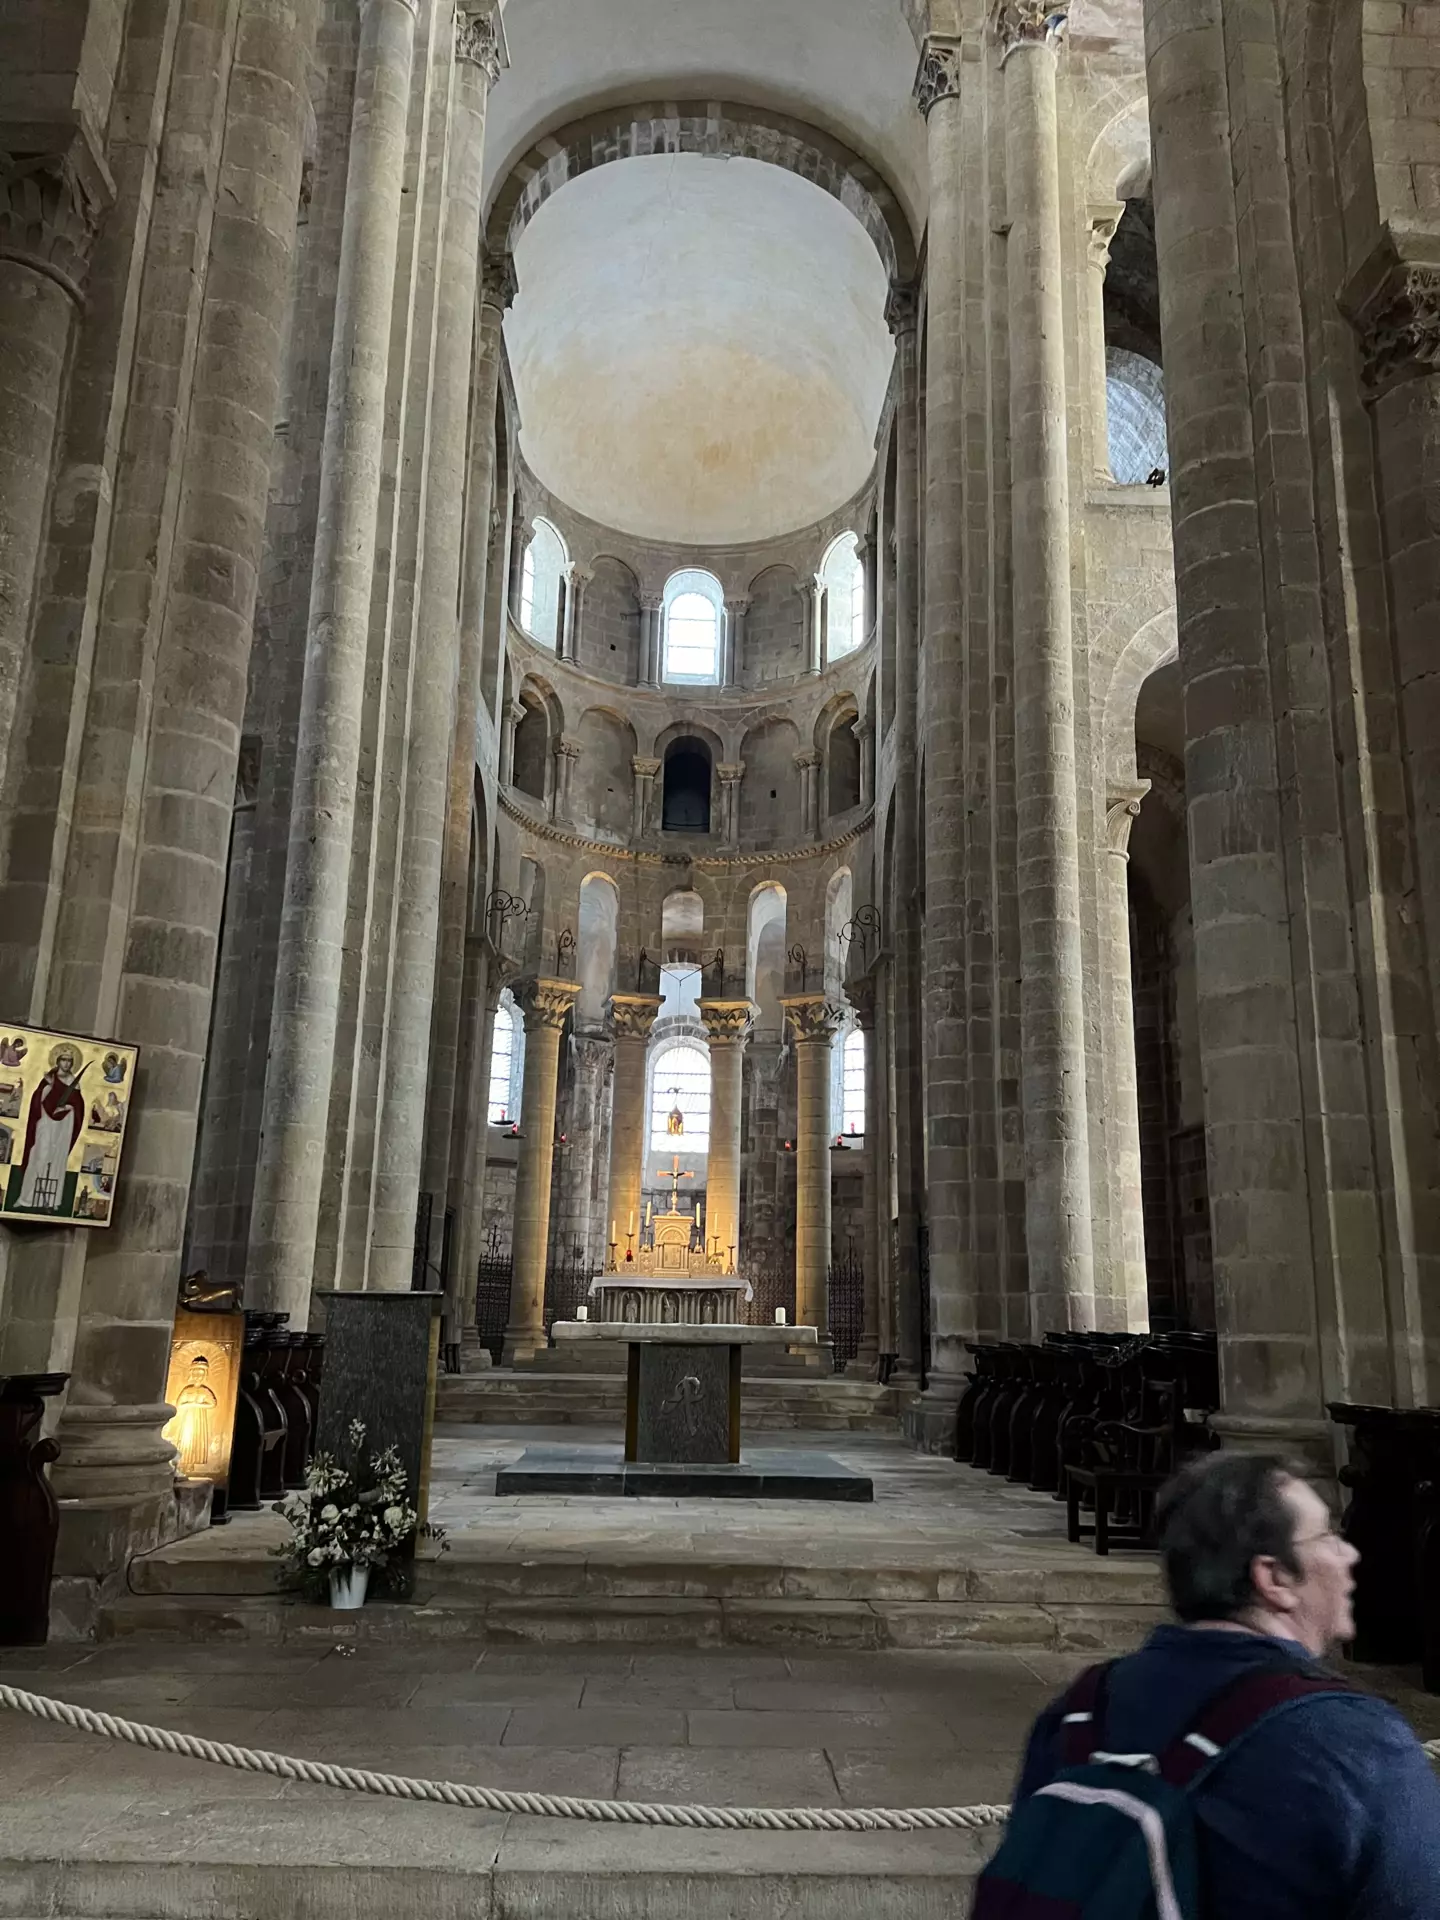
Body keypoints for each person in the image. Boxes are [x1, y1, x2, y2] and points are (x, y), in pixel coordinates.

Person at [1009, 1452, 1440, 1918]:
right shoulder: (1354, 1741)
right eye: (1328, 1535)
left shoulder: (1080, 1709)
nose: (1349, 1552)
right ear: (1274, 1577)